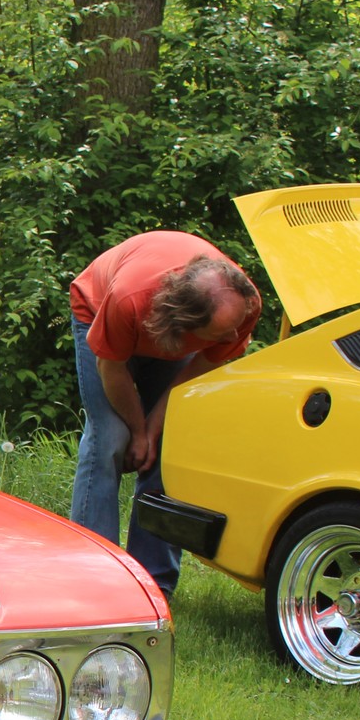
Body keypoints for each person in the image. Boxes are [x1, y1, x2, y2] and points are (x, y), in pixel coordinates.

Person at [68, 231, 261, 595]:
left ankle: (153, 584)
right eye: (223, 332)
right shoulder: (128, 300)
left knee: (168, 447)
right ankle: (95, 577)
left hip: (165, 321)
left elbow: (197, 371)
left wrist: (153, 430)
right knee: (109, 439)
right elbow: (112, 369)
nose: (235, 337)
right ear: (186, 323)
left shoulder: (243, 305)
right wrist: (137, 431)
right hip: (99, 309)